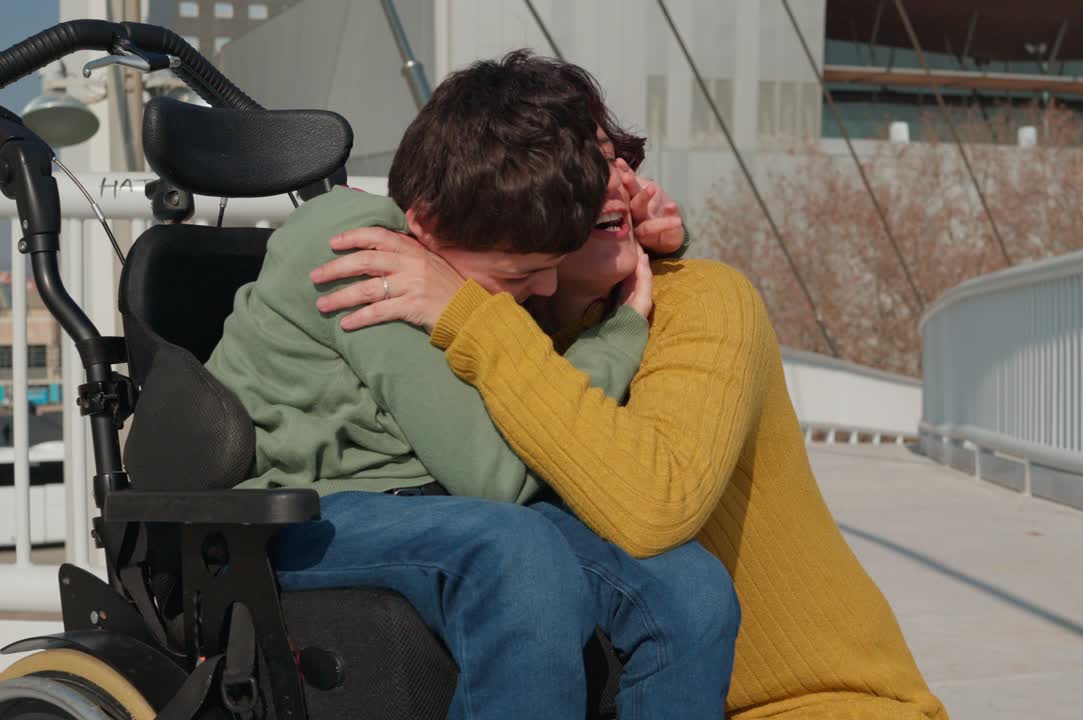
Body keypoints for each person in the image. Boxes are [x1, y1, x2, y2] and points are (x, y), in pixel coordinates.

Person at [310, 85, 950, 720]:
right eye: (579, 167)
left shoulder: (703, 299)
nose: (613, 181)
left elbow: (651, 508)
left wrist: (468, 313)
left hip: (823, 705)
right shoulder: (506, 336)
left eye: (612, 157)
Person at [206, 51, 739, 719]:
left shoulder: (464, 242)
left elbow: (528, 399)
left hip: (437, 500)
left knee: (687, 587)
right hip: (308, 512)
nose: (543, 289)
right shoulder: (357, 254)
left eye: (552, 268)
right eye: (521, 278)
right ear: (426, 224)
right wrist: (619, 335)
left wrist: (652, 247)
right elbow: (496, 478)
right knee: (518, 557)